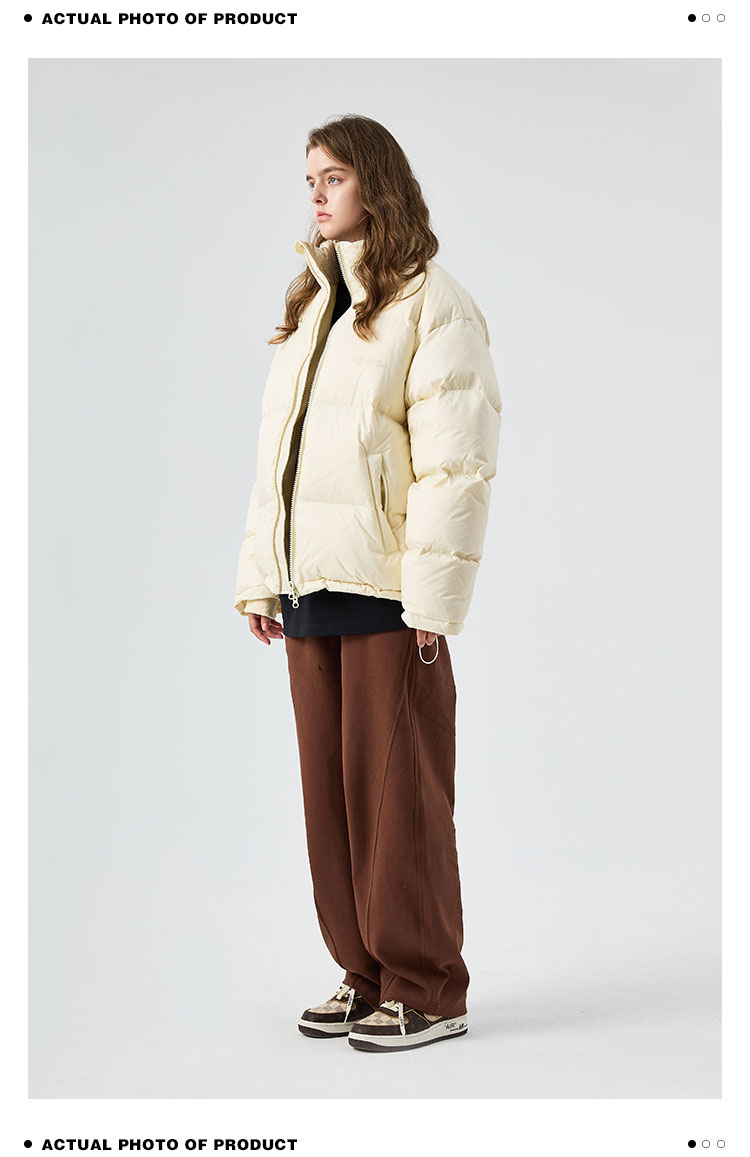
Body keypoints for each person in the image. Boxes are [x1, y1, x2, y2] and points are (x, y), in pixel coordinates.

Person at [234, 113, 502, 1052]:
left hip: (390, 594)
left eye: (334, 176)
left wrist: (433, 600)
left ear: (375, 183)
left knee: (399, 799)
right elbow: (279, 458)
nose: (316, 193)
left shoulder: (433, 303)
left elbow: (455, 465)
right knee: (333, 799)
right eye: (309, 178)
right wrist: (263, 577)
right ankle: (366, 973)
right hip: (311, 588)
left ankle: (427, 985)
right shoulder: (316, 304)